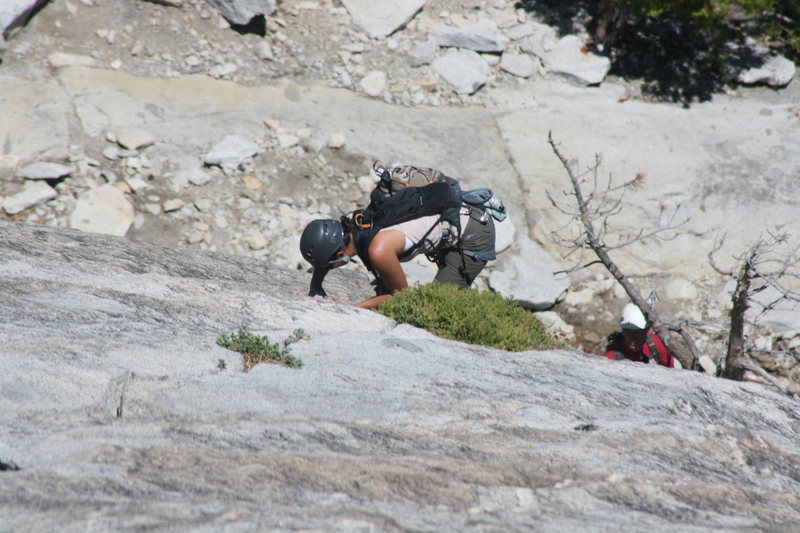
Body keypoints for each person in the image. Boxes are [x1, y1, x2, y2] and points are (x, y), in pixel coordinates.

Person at [299, 204, 495, 309]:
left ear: (341, 255)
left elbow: (400, 297)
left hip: (473, 233)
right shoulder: (355, 222)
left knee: (437, 305)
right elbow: (326, 255)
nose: (331, 267)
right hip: (453, 221)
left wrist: (354, 307)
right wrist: (315, 287)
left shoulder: (379, 249)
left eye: (331, 265)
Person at [603, 303, 674, 367]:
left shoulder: (656, 344)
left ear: (647, 331)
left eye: (637, 332)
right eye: (629, 331)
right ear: (623, 331)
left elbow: (670, 371)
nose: (633, 337)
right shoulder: (612, 358)